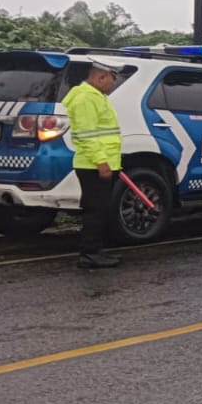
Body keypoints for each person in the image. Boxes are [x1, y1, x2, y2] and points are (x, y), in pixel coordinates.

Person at [63, 60, 124, 269]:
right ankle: (89, 253)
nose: (113, 85)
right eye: (111, 80)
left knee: (100, 208)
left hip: (100, 163)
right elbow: (86, 135)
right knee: (95, 209)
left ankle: (95, 250)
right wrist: (101, 162)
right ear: (101, 77)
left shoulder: (96, 97)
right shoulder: (85, 99)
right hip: (93, 165)